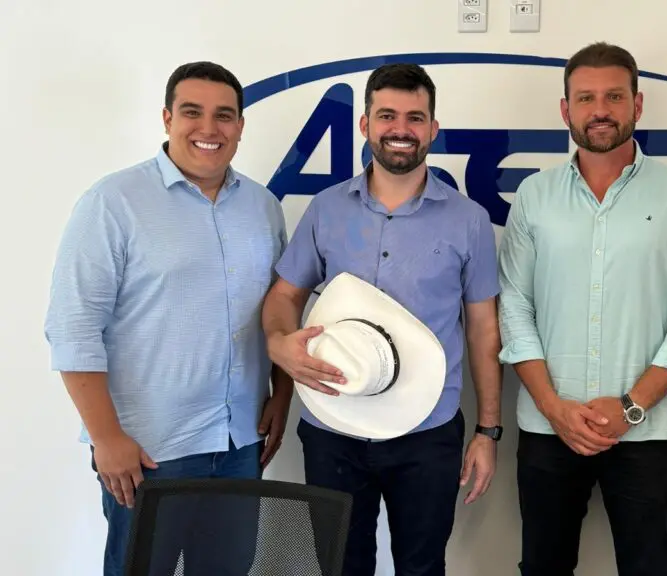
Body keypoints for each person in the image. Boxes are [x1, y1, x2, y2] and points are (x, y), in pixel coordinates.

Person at [43, 61, 293, 576]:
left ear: (240, 126)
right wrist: (106, 438)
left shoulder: (263, 207)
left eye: (224, 115)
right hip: (150, 450)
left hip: (238, 442)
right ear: (167, 118)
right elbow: (73, 327)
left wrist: (282, 392)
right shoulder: (113, 202)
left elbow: (280, 308)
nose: (209, 128)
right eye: (192, 112)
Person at [261, 62, 503, 576]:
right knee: (339, 566)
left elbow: (484, 331)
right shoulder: (326, 210)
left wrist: (488, 431)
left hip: (428, 433)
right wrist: (278, 342)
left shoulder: (469, 221)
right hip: (333, 425)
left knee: (422, 567)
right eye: (387, 115)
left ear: (433, 129)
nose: (401, 129)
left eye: (415, 118)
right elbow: (284, 295)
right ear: (365, 124)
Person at [497, 42, 667, 576]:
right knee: (543, 568)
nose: (600, 110)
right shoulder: (534, 195)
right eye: (585, 98)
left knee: (648, 567)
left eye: (614, 97)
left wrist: (631, 407)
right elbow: (513, 304)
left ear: (637, 105)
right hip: (548, 428)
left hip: (646, 431)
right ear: (566, 110)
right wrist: (553, 407)